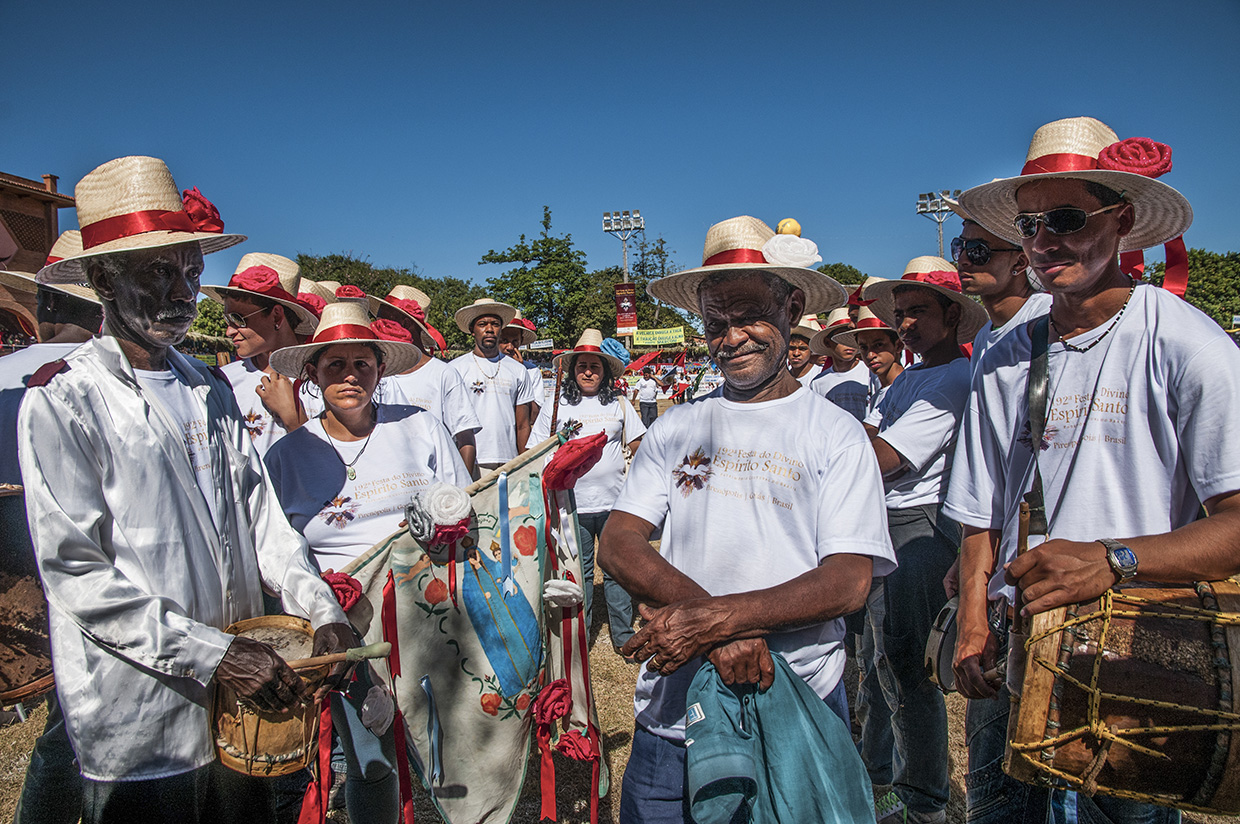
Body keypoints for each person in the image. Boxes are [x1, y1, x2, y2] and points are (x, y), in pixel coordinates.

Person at [19, 155, 353, 824]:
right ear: (103, 280)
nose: (183, 292)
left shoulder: (208, 388)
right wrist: (213, 654)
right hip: (143, 710)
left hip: (244, 703)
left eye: (192, 272)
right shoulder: (66, 403)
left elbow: (262, 521)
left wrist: (320, 609)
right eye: (158, 273)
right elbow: (78, 574)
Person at [947, 116, 1230, 824]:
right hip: (1014, 641)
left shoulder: (1188, 344)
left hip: (1136, 647)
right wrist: (975, 620)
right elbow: (981, 512)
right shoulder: (1005, 352)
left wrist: (1113, 559)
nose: (1044, 242)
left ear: (1121, 222)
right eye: (1030, 225)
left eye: (1068, 220)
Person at [598, 215, 895, 823]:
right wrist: (717, 628)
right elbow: (619, 542)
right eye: (716, 323)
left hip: (795, 698)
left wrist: (711, 622)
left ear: (792, 309)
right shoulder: (679, 425)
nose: (732, 337)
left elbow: (847, 581)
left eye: (751, 316)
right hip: (673, 712)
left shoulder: (835, 434)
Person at [264, 300, 471, 824]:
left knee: (454, 744)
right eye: (335, 364)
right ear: (312, 373)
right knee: (371, 758)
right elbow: (277, 550)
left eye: (363, 364)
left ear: (381, 369)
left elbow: (463, 507)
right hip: (346, 630)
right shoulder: (286, 457)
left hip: (431, 615)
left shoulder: (420, 427)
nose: (350, 375)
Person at [859, 257, 988, 824]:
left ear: (953, 315)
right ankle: (884, 772)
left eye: (918, 312)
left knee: (909, 666)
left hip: (918, 527)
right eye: (900, 314)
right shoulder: (911, 377)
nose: (905, 324)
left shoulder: (953, 378)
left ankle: (924, 799)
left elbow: (885, 458)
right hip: (887, 521)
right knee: (882, 660)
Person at [1, 234, 101, 824]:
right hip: (82, 582)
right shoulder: (104, 385)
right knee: (72, 728)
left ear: (44, 306)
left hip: (16, 595)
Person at [530, 328, 646, 652]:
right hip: (572, 506)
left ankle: (623, 636)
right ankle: (579, 636)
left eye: (595, 366)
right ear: (572, 369)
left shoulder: (620, 404)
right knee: (578, 574)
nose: (588, 372)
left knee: (615, 570)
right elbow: (535, 450)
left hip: (615, 504)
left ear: (605, 371)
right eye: (582, 366)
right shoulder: (556, 406)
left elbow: (640, 446)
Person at [201, 253, 322, 456]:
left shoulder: (323, 383)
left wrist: (294, 421)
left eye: (238, 319)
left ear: (276, 316)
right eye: (227, 320)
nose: (229, 331)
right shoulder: (224, 382)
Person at [369, 284, 481, 474]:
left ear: (406, 323)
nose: (378, 324)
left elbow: (465, 438)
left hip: (437, 483)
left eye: (385, 319)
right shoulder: (375, 374)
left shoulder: (443, 374)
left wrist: (463, 486)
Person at [948, 205, 1053, 371]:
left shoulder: (1047, 318)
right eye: (959, 247)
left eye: (978, 251)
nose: (962, 260)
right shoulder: (984, 336)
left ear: (1019, 263)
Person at [450, 298, 535, 474]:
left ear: (501, 329)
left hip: (509, 461)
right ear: (472, 330)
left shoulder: (518, 370)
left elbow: (523, 425)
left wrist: (525, 465)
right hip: (470, 460)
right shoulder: (455, 369)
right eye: (482, 324)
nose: (489, 329)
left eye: (495, 324)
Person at [834, 305, 904, 418]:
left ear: (898, 346)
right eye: (863, 347)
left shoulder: (907, 390)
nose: (870, 355)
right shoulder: (877, 395)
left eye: (879, 345)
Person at [809, 306, 878, 420]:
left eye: (851, 337)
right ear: (828, 342)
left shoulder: (871, 373)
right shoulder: (818, 382)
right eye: (840, 338)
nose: (848, 344)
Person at [500, 309, 545, 420]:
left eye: (515, 341)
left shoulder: (531, 371)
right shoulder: (487, 368)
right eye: (504, 341)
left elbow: (534, 415)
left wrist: (520, 372)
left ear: (521, 341)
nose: (510, 347)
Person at [787, 313, 823, 386]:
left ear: (811, 350)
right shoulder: (783, 378)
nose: (796, 353)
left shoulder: (821, 376)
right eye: (792, 348)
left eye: (802, 349)